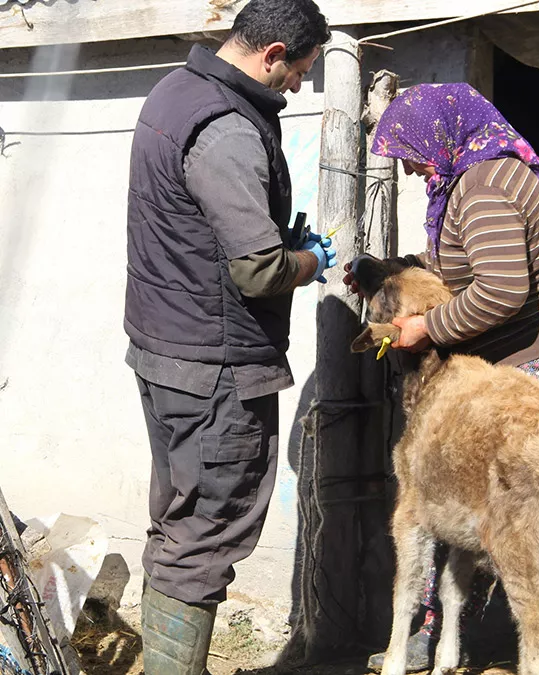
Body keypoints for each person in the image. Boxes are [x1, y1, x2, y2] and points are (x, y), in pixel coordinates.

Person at [344, 83, 539, 675]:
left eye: (409, 150)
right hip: (506, 360)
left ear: (440, 133)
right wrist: (387, 275)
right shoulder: (470, 176)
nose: (408, 166)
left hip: (533, 364)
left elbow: (502, 289)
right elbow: (464, 264)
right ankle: (440, 634)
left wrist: (423, 328)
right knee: (468, 502)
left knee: (535, 516)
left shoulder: (482, 188)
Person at [123, 2, 332, 673]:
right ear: (271, 52)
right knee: (206, 534)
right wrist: (310, 262)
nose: (296, 86)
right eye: (297, 71)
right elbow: (259, 268)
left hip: (163, 347)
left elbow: (201, 232)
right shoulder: (228, 131)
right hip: (213, 368)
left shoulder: (173, 91)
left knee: (179, 523)